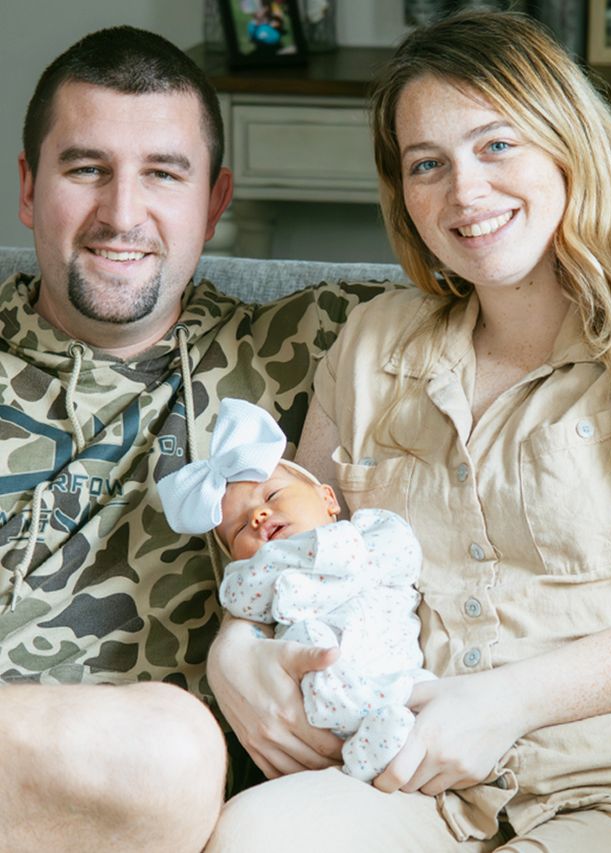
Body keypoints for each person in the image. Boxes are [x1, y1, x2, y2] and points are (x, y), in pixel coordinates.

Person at [203, 12, 611, 852]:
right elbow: (294, 534)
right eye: (427, 164)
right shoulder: (370, 342)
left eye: (496, 145)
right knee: (257, 834)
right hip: (406, 778)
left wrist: (509, 700)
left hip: (608, 780)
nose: (465, 193)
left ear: (566, 144)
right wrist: (234, 647)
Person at [0, 27, 372, 853]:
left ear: (214, 197)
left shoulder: (319, 343)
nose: (122, 214)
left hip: (157, 789)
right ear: (29, 188)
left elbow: (526, 271)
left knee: (169, 751)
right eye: (85, 168)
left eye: (163, 174)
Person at [158, 398, 436, 783]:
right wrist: (268, 563)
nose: (258, 516)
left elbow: (400, 552)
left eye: (272, 496)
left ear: (328, 498)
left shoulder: (370, 530)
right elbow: (239, 596)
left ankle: (377, 749)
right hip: (327, 692)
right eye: (239, 530)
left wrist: (294, 558)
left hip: (400, 672)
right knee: (310, 651)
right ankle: (360, 755)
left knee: (424, 704)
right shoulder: (254, 580)